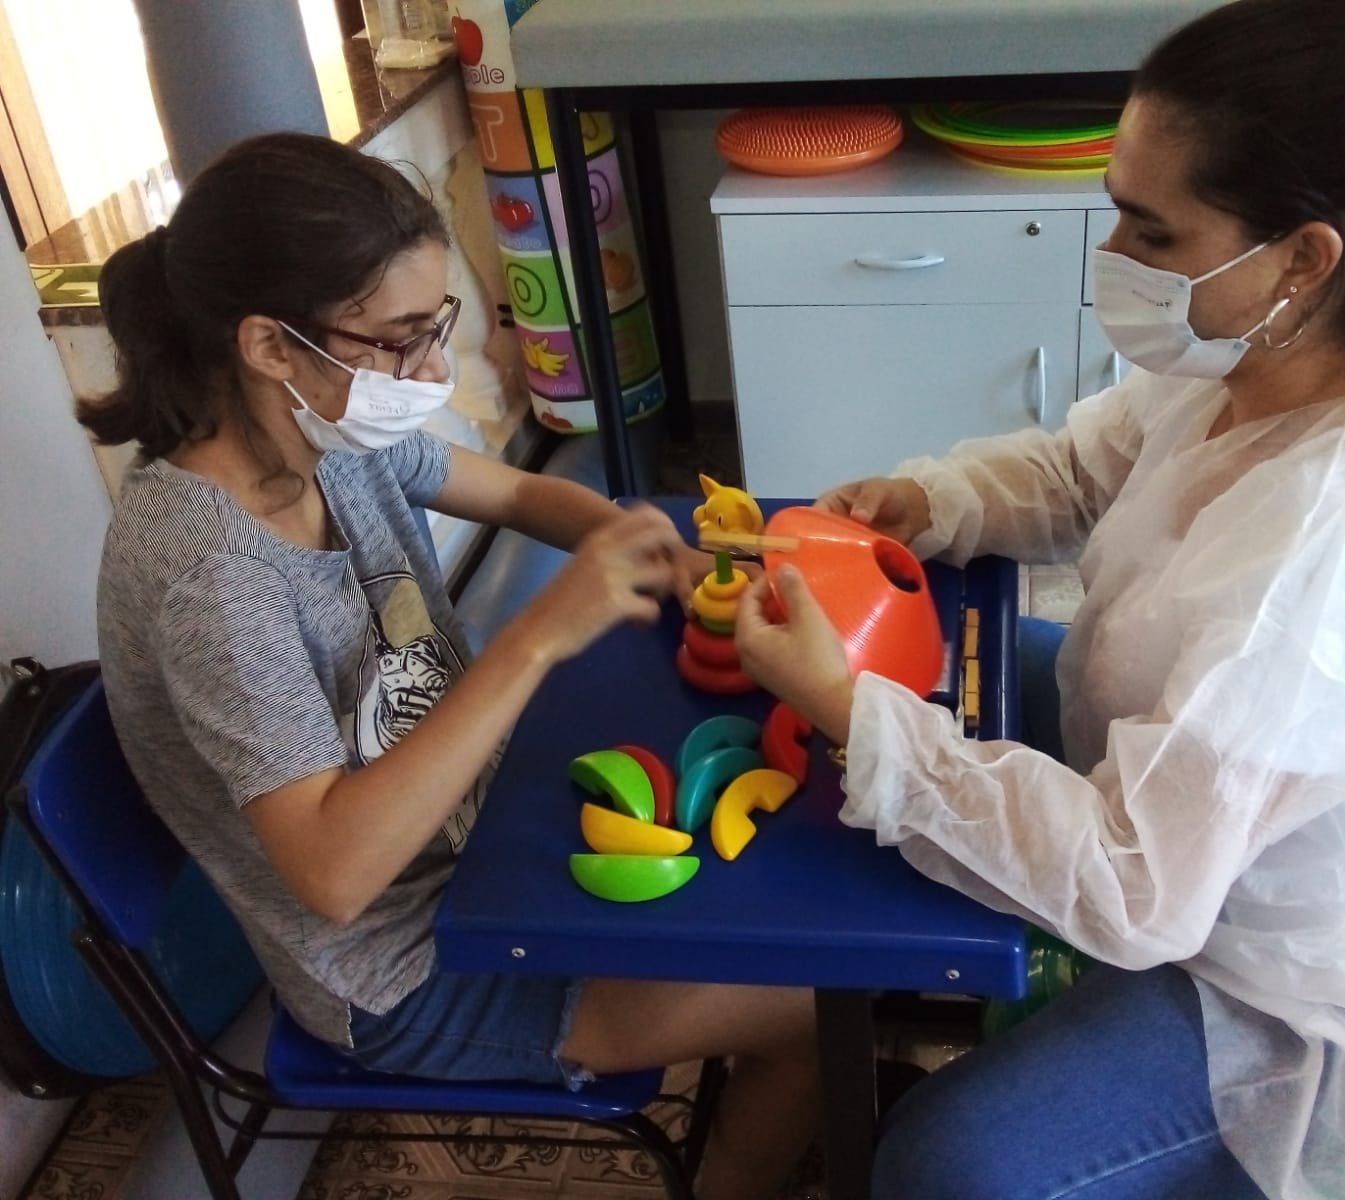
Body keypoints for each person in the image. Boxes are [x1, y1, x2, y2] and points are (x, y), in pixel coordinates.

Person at [733, 2, 1345, 1197]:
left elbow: (1138, 890)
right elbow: (1081, 468)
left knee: (949, 1163)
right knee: (940, 685)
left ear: (1301, 259)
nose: (1118, 254)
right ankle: (857, 991)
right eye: (1118, 208)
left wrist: (854, 714)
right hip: (1238, 844)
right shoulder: (1254, 359)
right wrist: (928, 501)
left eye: (1152, 229)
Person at [79, 132, 816, 1200]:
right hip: (406, 971)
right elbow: (335, 875)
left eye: (438, 327)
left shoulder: (332, 437)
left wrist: (657, 551)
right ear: (271, 345)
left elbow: (517, 491)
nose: (430, 371)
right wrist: (536, 636)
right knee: (816, 1006)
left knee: (765, 877)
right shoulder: (213, 580)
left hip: (486, 847)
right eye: (399, 341)